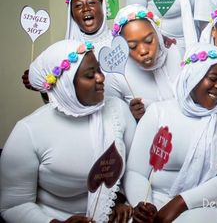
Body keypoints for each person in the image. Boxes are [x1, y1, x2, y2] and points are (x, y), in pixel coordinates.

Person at [1, 40, 136, 223]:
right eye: (90, 75)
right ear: (65, 84)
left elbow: (133, 170)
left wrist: (117, 200)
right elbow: (14, 206)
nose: (101, 78)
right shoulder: (28, 132)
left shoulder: (119, 111)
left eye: (99, 69)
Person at [124, 43, 217, 223]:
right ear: (193, 76)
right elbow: (136, 171)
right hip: (153, 200)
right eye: (213, 78)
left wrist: (179, 203)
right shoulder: (158, 112)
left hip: (202, 205)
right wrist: (143, 206)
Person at [22, 0, 111, 100]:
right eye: (78, 5)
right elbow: (62, 100)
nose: (85, 9)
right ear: (72, 15)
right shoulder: (63, 52)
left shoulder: (120, 43)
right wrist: (43, 87)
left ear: (103, 8)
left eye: (91, 3)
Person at [106, 4, 182, 121]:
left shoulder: (178, 53)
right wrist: (131, 117)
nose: (143, 51)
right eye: (132, 46)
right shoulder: (116, 77)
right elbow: (113, 122)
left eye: (148, 40)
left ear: (158, 34)